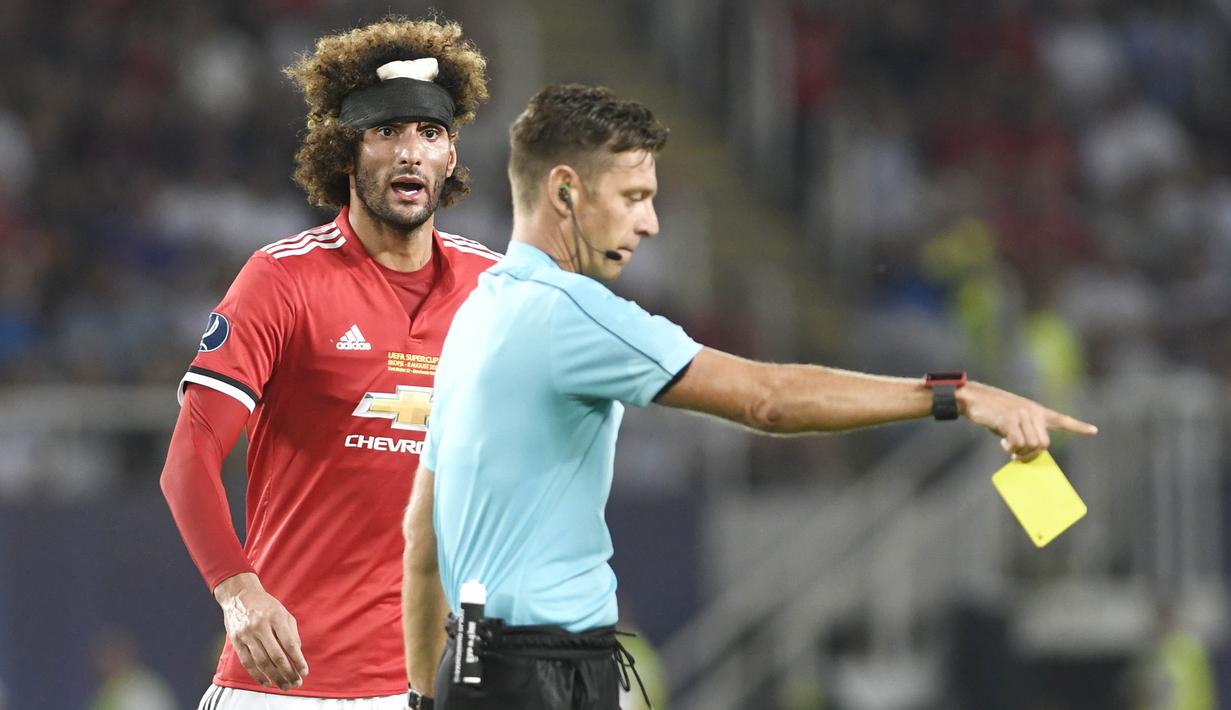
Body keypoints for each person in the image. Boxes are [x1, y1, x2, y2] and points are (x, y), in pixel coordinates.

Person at [401, 84, 1100, 710]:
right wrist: (954, 395)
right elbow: (765, 398)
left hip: (475, 669)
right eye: (633, 197)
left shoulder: (472, 318)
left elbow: (423, 543)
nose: (649, 225)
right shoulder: (569, 311)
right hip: (542, 673)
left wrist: (427, 695)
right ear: (563, 193)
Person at [158, 17, 497, 710]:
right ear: (345, 153)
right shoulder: (282, 280)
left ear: (451, 156)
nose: (410, 152)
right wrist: (238, 590)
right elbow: (189, 454)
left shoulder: (497, 293)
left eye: (428, 134)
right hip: (283, 688)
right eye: (387, 132)